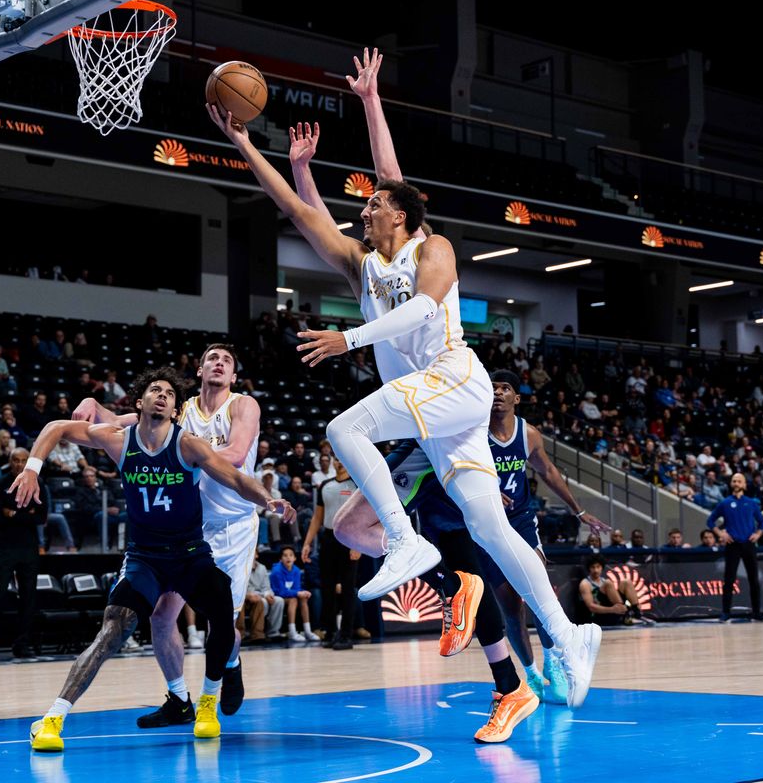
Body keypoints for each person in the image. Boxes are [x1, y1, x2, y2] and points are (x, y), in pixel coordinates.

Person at [222, 47, 600, 707]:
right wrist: (248, 144)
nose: (361, 208)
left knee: (347, 427)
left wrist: (350, 337)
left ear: (398, 213)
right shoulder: (359, 263)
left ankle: (402, 542)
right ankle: (570, 635)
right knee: (490, 530)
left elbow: (424, 304)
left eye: (372, 203)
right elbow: (295, 209)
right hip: (437, 415)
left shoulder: (435, 248)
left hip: (455, 381)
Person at [17, 367, 294, 751]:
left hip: (189, 554)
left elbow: (234, 477)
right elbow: (56, 428)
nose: (162, 395)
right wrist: (33, 470)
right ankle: (51, 718)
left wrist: (268, 501)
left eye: (169, 393)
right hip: (144, 558)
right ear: (139, 402)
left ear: (176, 409)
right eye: (155, 390)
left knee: (222, 610)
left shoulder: (188, 445)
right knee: (113, 631)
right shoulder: (117, 440)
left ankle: (208, 702)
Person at [74, 344, 264, 724]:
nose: (220, 363)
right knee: (161, 618)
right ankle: (179, 700)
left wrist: (182, 450)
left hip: (231, 528)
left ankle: (232, 661)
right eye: (213, 358)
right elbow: (128, 421)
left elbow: (238, 454)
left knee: (222, 624)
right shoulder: (179, 409)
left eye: (227, 360)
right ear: (199, 368)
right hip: (185, 531)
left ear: (234, 376)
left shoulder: (242, 406)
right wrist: (92, 402)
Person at [331, 438, 538, 742]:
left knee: (350, 526)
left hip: (429, 447)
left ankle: (450, 586)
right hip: (449, 454)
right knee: (466, 566)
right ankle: (509, 685)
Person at [486, 370, 610, 700]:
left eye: (505, 388)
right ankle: (531, 675)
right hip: (488, 525)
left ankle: (553, 659)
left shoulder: (528, 434)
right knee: (511, 609)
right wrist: (486, 490)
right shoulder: (472, 432)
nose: (497, 392)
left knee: (540, 593)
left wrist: (579, 511)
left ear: (517, 398)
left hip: (522, 523)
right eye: (492, 387)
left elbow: (549, 472)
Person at [0, 448, 46, 660]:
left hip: (28, 548)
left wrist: (13, 514)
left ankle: (22, 643)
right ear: (10, 462)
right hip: (3, 548)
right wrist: (25, 514)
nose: (19, 464)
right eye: (15, 460)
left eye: (23, 460)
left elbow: (41, 517)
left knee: (28, 597)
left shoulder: (38, 484)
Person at [302, 456, 359, 649]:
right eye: (337, 459)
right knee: (327, 588)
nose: (340, 462)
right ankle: (330, 632)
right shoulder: (324, 485)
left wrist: (358, 545)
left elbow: (364, 516)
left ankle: (346, 635)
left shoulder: (357, 484)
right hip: (328, 538)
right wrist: (307, 543)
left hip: (350, 537)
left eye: (343, 458)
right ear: (333, 463)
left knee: (348, 589)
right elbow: (317, 517)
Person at [706, 472, 763, 621]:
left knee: (754, 579)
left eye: (739, 481)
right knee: (729, 579)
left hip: (749, 544)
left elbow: (762, 522)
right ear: (731, 484)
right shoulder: (725, 503)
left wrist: (758, 534)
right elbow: (710, 521)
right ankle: (726, 612)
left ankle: (756, 612)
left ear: (744, 485)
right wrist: (721, 534)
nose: (736, 483)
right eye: (734, 481)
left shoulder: (751, 503)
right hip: (733, 545)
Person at [270, 546, 319, 642]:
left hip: (289, 595)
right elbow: (281, 591)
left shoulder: (296, 570)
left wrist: (303, 593)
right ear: (280, 559)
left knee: (303, 598)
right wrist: (298, 593)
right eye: (285, 556)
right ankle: (292, 632)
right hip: (276, 596)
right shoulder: (277, 571)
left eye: (291, 555)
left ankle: (307, 631)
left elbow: (297, 588)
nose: (288, 558)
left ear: (295, 558)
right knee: (294, 600)